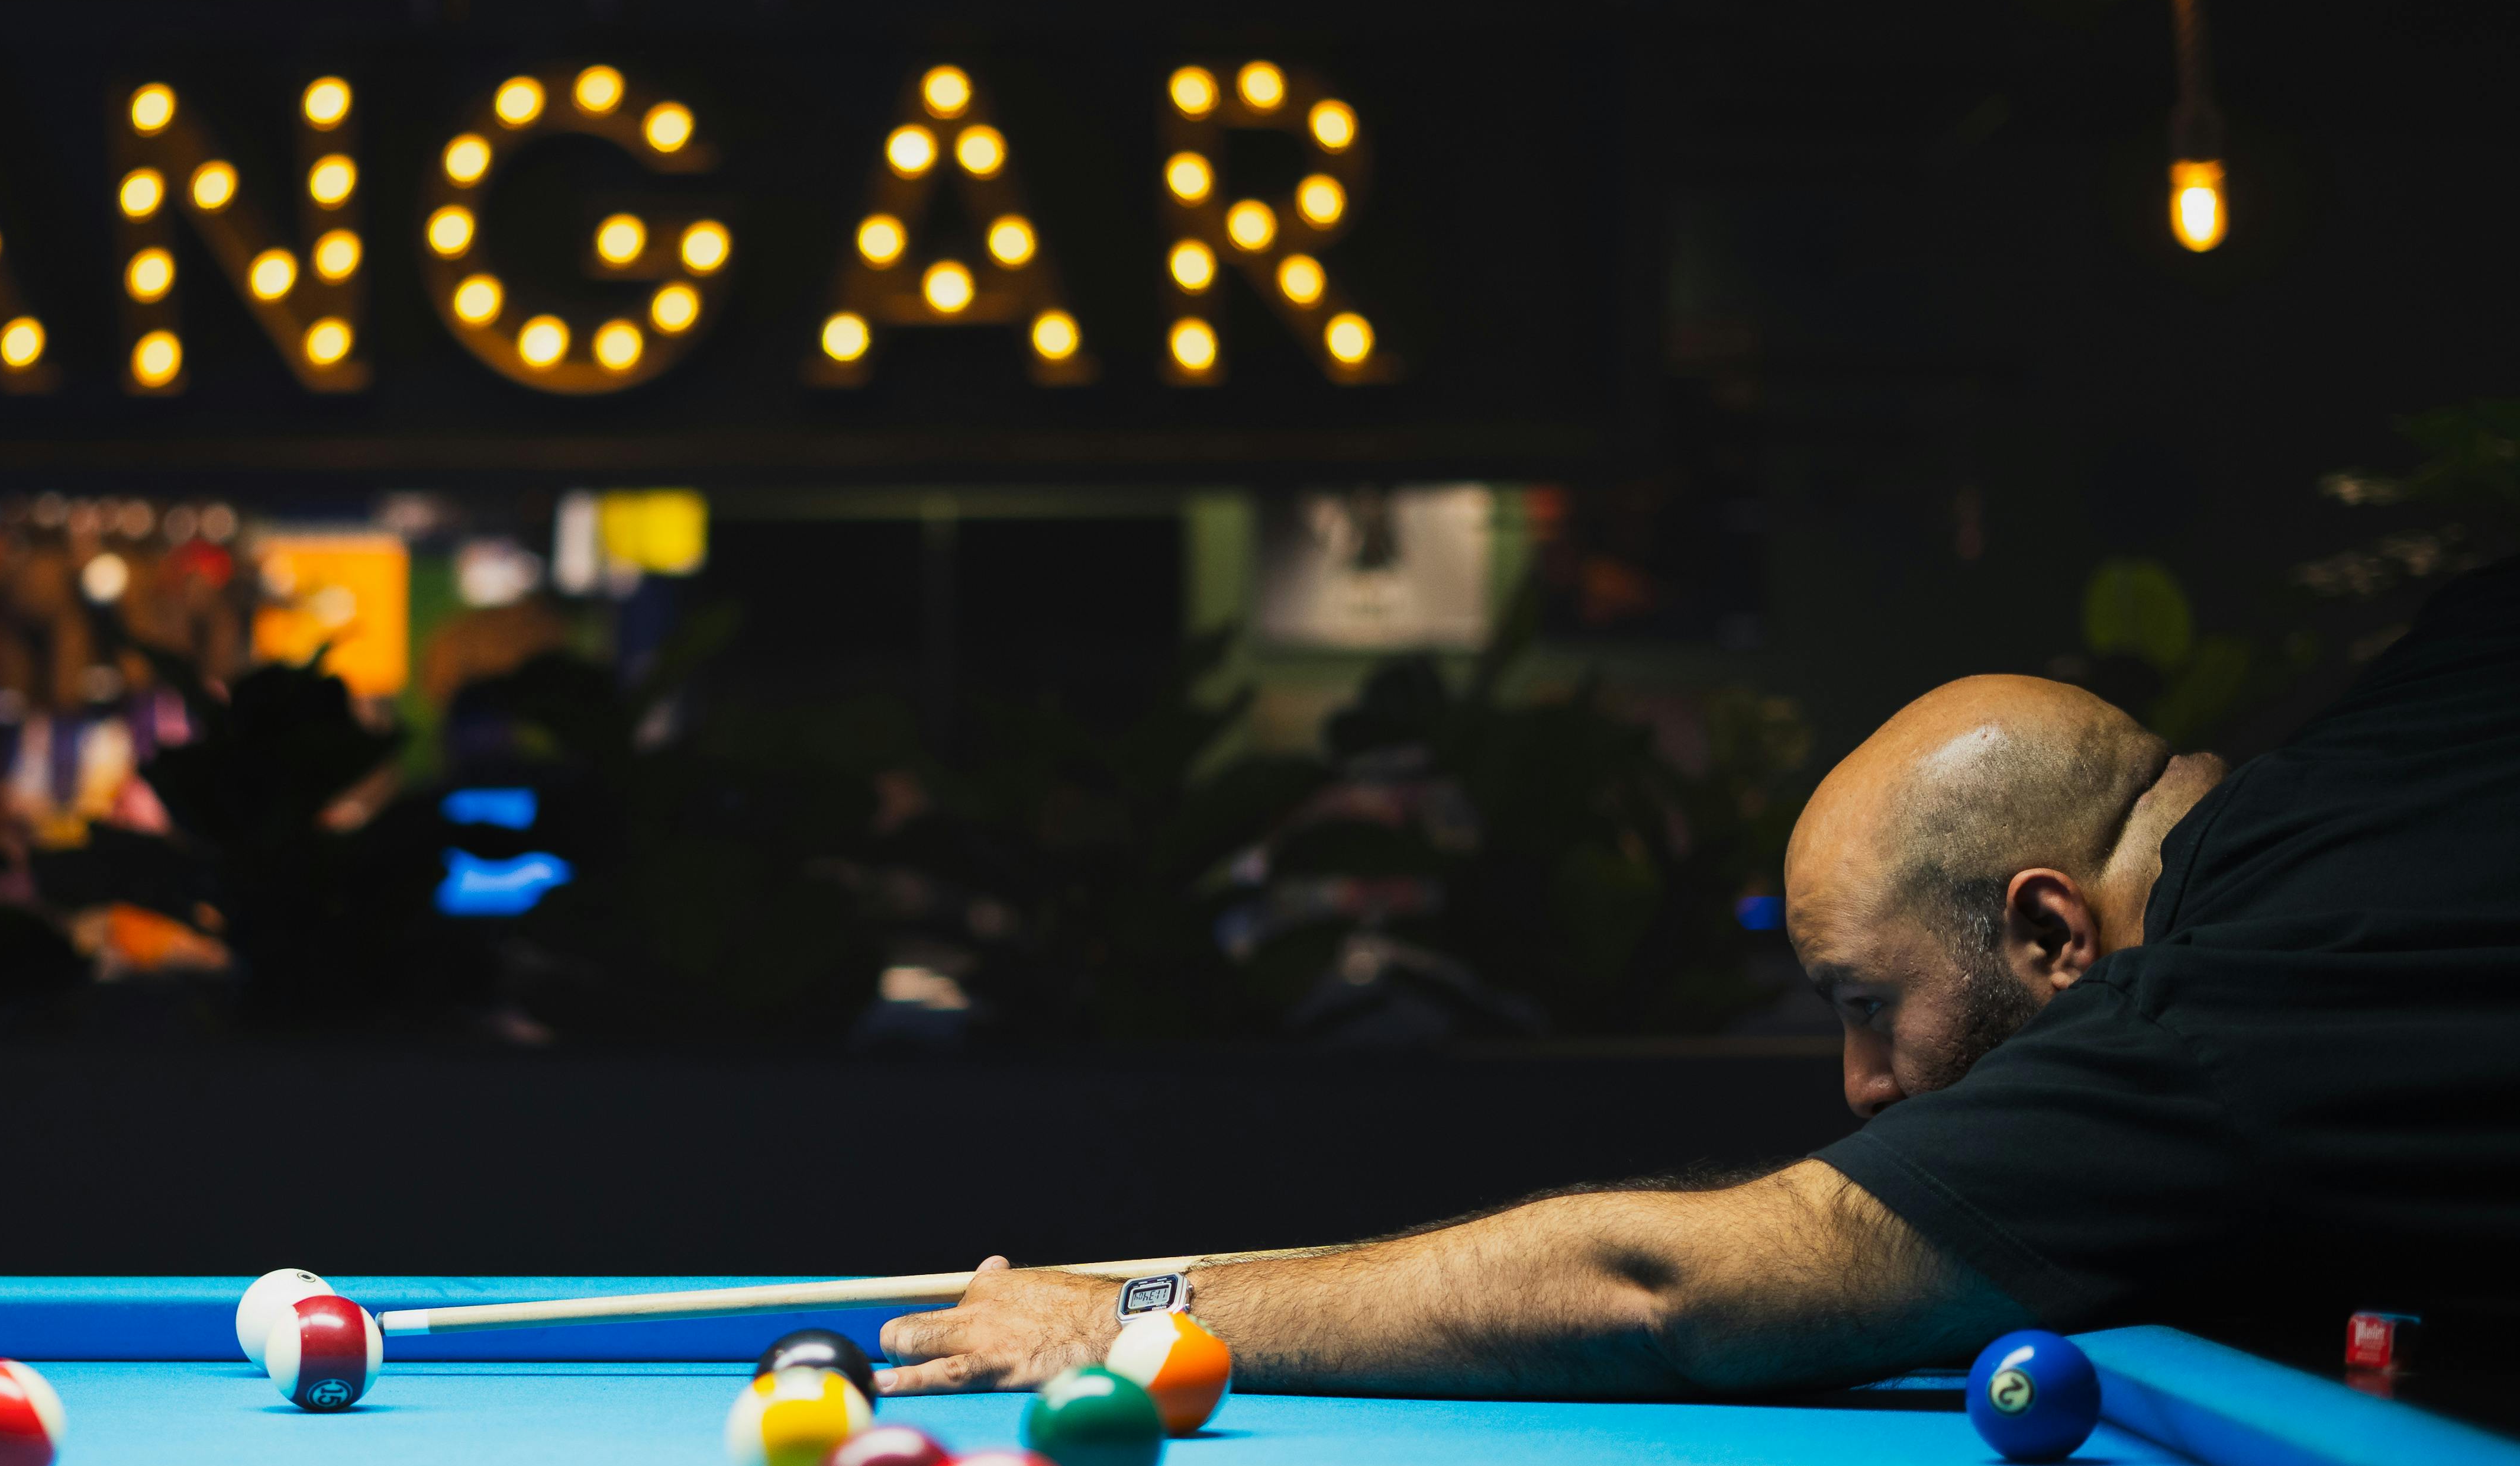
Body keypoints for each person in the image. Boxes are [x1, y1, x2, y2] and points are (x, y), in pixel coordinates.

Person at [877, 559, 2520, 1399]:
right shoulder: (2438, 701)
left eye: (1870, 1005)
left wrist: (1135, 1309)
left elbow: (1667, 1288)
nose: (1865, 1085)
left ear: (2051, 937)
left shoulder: (2221, 1020)